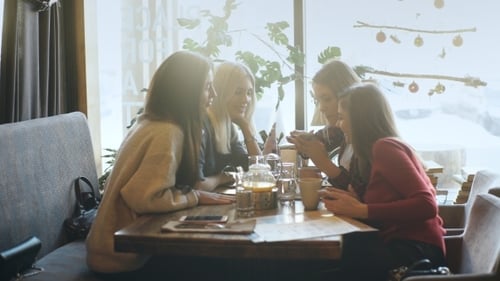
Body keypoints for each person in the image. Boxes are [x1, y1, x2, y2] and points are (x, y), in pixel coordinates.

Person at [86, 51, 234, 276]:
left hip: (108, 249)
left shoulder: (150, 123)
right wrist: (194, 196)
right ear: (186, 92)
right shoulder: (167, 132)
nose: (213, 94)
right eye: (206, 87)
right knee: (226, 267)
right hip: (121, 258)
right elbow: (146, 198)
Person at [319, 83, 446, 280]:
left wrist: (362, 210)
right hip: (396, 244)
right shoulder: (366, 154)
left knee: (321, 266)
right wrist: (357, 202)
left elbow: (427, 205)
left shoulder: (385, 148)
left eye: (342, 117)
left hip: (416, 252)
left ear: (360, 120)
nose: (338, 124)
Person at [286, 60, 364, 193]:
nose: (321, 108)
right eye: (318, 100)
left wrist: (324, 164)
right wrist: (306, 141)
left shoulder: (369, 140)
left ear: (347, 97)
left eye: (327, 99)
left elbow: (359, 192)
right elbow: (321, 141)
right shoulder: (340, 132)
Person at [196, 61, 275, 191]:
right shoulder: (202, 124)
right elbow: (198, 186)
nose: (246, 99)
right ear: (221, 92)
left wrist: (245, 127)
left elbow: (258, 172)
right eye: (238, 92)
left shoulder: (227, 127)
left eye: (249, 93)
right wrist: (221, 178)